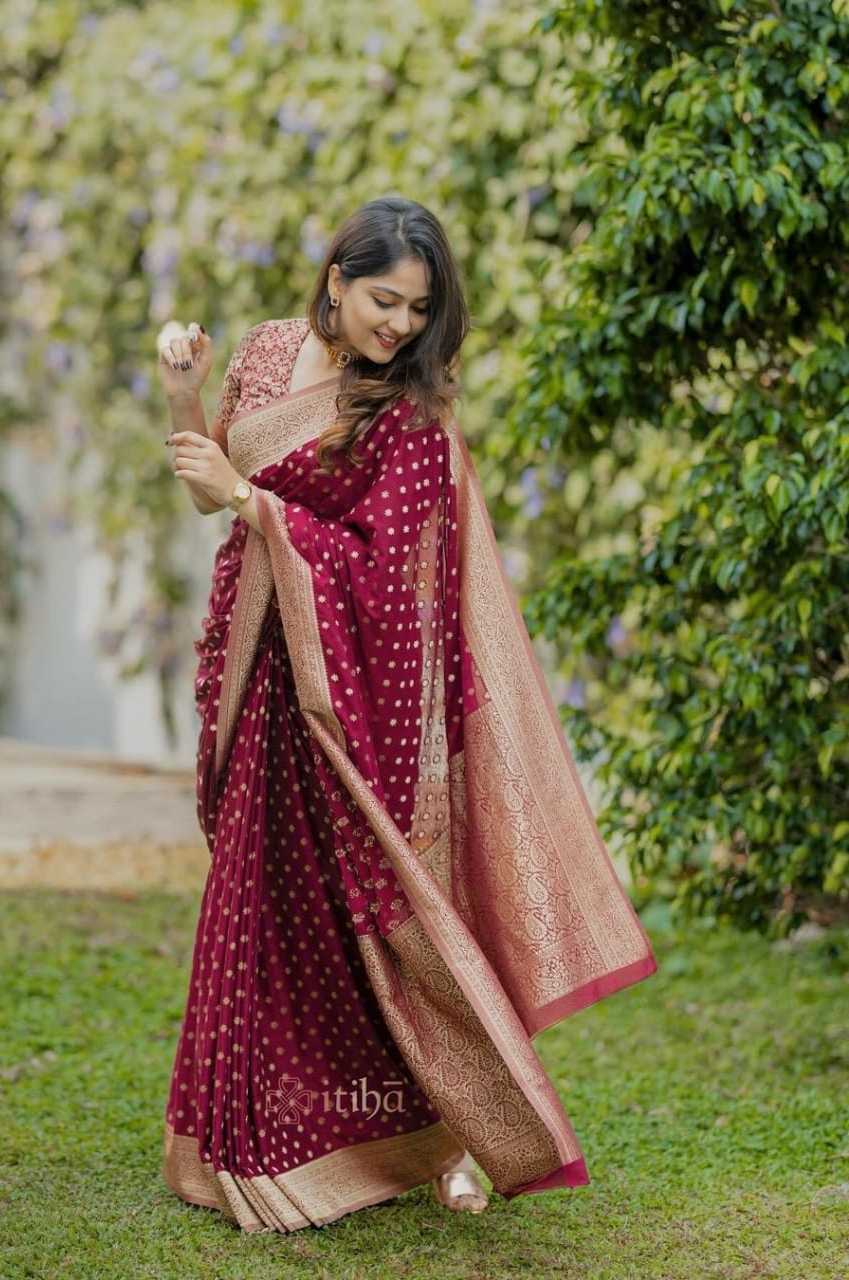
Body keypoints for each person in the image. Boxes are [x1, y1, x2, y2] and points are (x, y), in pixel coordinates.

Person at [156, 196, 655, 1234]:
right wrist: (184, 391)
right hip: (264, 681)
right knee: (267, 921)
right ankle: (276, 1137)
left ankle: (446, 1131)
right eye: (384, 299)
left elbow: (393, 582)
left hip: (346, 704)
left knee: (380, 925)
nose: (397, 326)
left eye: (417, 310)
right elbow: (213, 483)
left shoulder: (409, 416)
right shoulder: (267, 350)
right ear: (336, 277)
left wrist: (257, 507)